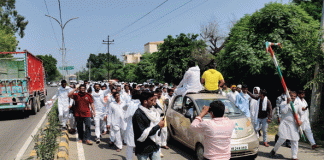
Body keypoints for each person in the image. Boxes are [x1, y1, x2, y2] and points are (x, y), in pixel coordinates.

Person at [271, 91, 303, 160]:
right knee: (282, 139)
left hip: (294, 125)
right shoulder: (283, 103)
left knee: (295, 140)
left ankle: (294, 156)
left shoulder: (298, 104)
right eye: (291, 96)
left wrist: (301, 121)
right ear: (288, 96)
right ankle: (274, 150)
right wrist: (288, 104)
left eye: (294, 96)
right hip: (285, 124)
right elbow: (284, 112)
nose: (293, 97)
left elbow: (301, 114)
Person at [132, 92, 165, 160]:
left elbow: (160, 112)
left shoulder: (151, 111)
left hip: (154, 145)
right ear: (145, 101)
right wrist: (158, 126)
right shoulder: (138, 114)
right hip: (143, 148)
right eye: (151, 100)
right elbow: (143, 133)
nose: (153, 102)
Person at [125, 90, 141, 160]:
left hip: (131, 127)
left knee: (130, 146)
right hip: (139, 127)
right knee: (140, 145)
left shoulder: (129, 104)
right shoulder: (141, 105)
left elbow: (124, 109)